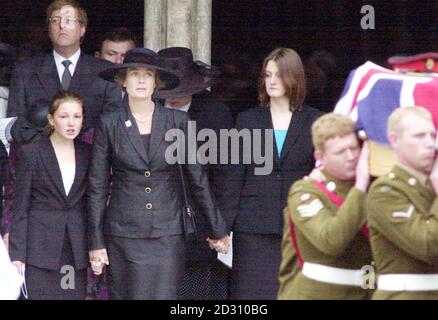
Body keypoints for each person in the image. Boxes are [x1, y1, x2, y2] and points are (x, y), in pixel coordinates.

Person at [88, 48, 229, 300]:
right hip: (123, 233)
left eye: (148, 75)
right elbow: (98, 185)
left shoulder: (177, 121)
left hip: (167, 231)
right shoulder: (109, 123)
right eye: (134, 74)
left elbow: (197, 179)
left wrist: (217, 228)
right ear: (123, 81)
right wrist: (96, 241)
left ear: (157, 83)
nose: (141, 80)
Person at [223, 47, 323, 299]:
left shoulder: (316, 121)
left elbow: (321, 177)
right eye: (267, 75)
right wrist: (221, 227)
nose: (272, 81)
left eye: (279, 75)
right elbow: (235, 176)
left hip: (299, 226)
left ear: (295, 78)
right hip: (252, 227)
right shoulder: (247, 120)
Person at [156, 46, 233, 300]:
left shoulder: (215, 113)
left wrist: (220, 226)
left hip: (198, 226)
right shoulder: (146, 108)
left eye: (180, 91)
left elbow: (224, 176)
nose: (173, 97)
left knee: (194, 295)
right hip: (151, 224)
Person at [8, 90, 91, 299]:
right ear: (51, 119)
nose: (71, 123)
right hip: (40, 247)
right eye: (64, 116)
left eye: (77, 116)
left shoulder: (87, 153)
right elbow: (21, 205)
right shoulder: (31, 152)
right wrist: (17, 254)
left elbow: (92, 201)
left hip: (75, 246)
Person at [282, 113, 372, 299]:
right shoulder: (305, 191)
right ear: (320, 156)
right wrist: (360, 186)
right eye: (340, 152)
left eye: (354, 148)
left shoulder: (375, 185)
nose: (351, 157)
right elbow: (330, 240)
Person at [7, 0, 121, 145]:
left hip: (90, 159)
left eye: (69, 20)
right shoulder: (25, 71)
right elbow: (15, 123)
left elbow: (112, 124)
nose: (61, 26)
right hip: (39, 159)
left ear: (82, 29)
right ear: (49, 29)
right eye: (55, 20)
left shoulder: (106, 72)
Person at [368, 106, 438, 300]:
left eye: (432, 136)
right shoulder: (385, 192)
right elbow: (429, 247)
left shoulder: (432, 185)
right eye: (419, 136)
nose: (430, 143)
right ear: (395, 140)